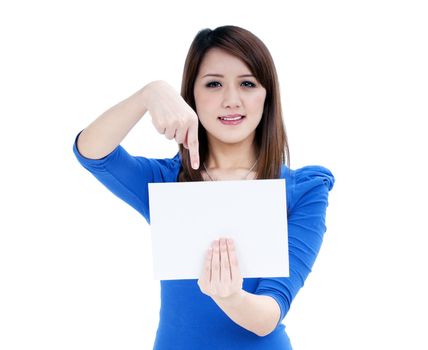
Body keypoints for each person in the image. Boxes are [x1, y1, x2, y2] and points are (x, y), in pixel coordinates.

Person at [73, 25, 334, 349]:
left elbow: (269, 314)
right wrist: (149, 93)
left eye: (248, 83)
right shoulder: (167, 182)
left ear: (267, 96)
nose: (231, 100)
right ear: (191, 95)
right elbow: (92, 152)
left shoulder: (303, 191)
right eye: (213, 84)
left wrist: (230, 297)